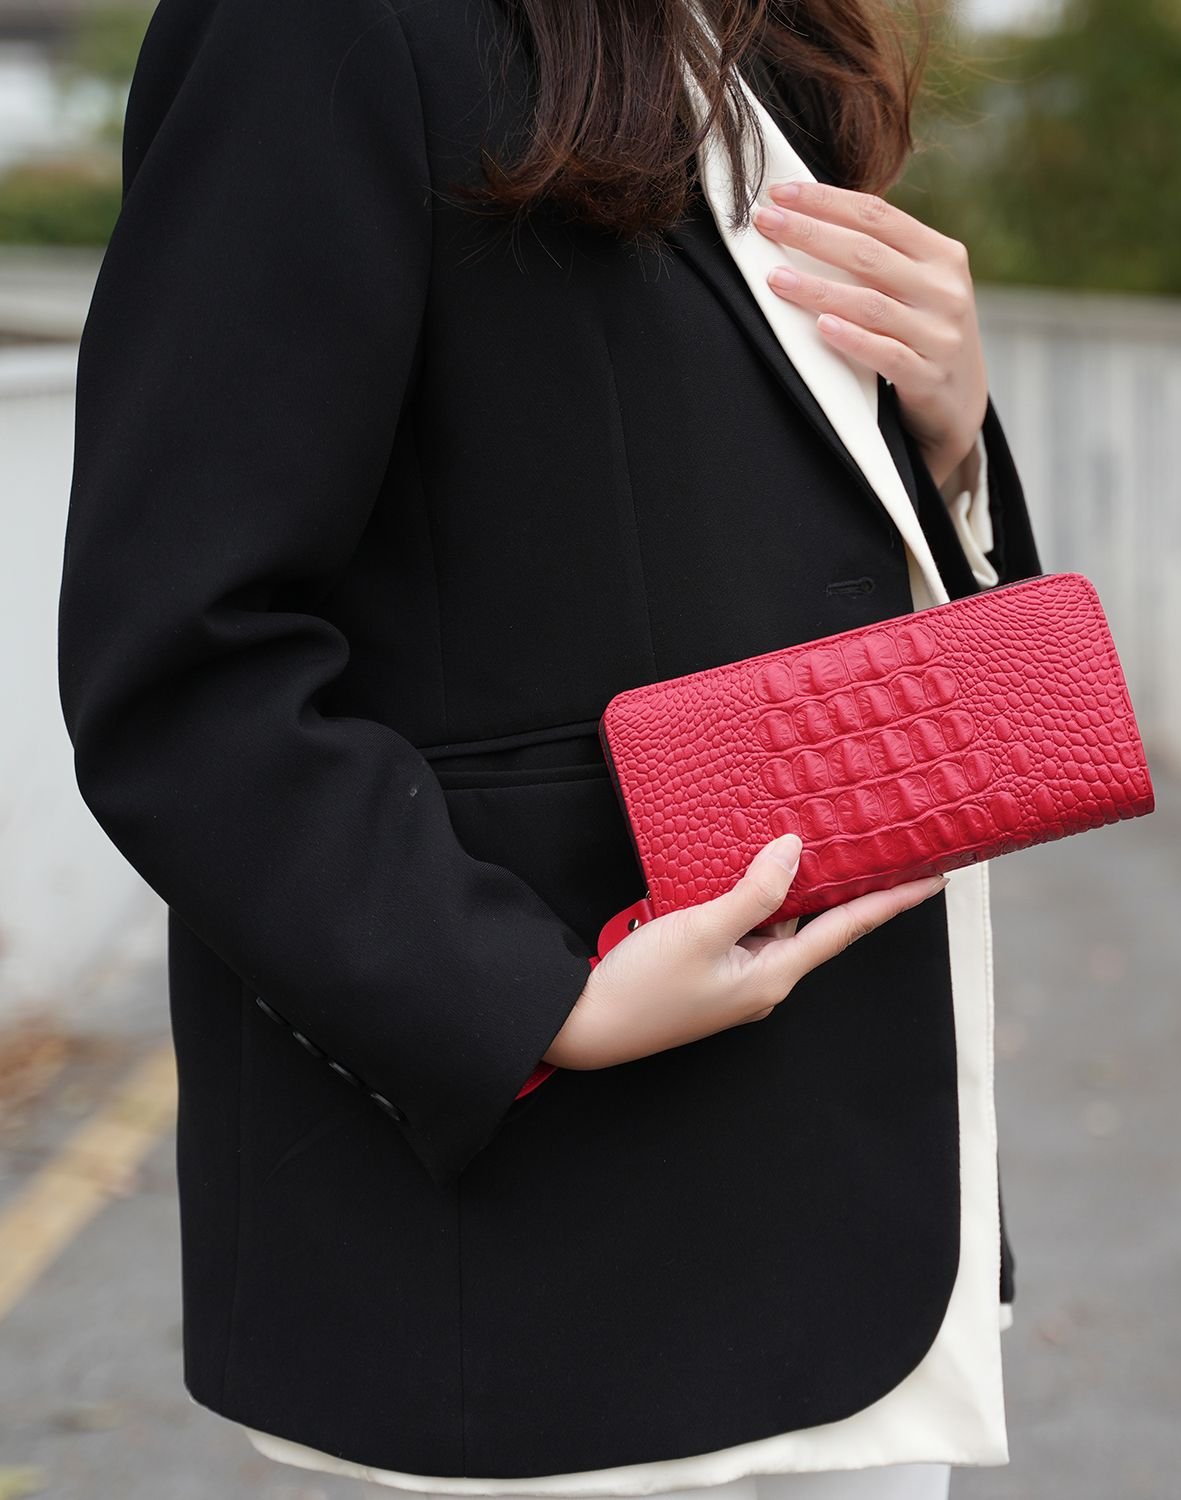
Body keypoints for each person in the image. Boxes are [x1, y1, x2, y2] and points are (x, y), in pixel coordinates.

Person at [56, 0, 1043, 1496]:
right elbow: (182, 660)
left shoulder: (762, 38)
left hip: (855, 1214)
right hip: (559, 1267)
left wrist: (948, 432)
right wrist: (523, 1003)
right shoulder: (313, 28)